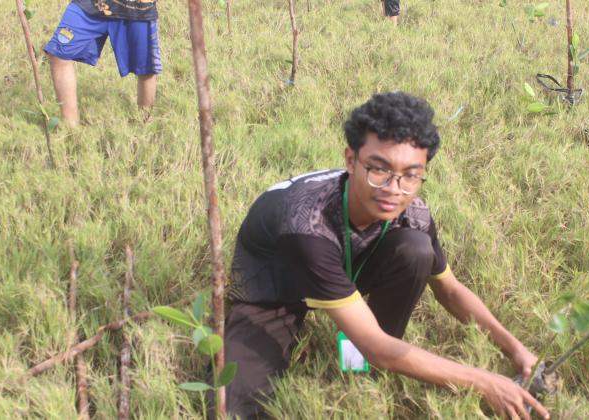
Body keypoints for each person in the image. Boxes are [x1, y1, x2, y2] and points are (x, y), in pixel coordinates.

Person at [224, 92, 550, 420]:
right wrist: (483, 382)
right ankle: (360, 341)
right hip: (275, 287)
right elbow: (377, 348)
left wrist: (516, 349)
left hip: (341, 262)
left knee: (415, 249)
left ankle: (360, 365)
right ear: (350, 160)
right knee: (234, 409)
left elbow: (450, 291)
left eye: (410, 175)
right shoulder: (305, 225)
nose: (394, 189)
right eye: (378, 169)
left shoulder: (412, 212)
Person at [43, 0, 162, 126]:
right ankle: (70, 128)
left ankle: (142, 125)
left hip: (136, 8)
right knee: (59, 54)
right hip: (90, 4)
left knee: (145, 68)